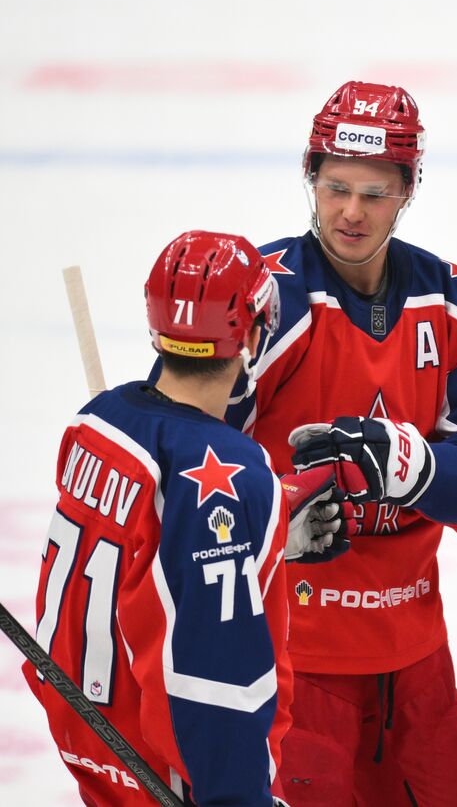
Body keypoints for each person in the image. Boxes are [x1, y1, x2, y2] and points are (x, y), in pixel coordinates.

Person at [225, 81, 457, 806]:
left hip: (417, 664)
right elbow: (182, 468)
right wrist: (274, 520)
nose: (351, 212)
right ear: (310, 176)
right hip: (292, 666)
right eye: (334, 189)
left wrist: (407, 462)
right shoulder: (263, 299)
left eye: (374, 193)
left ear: (408, 188)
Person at [26, 230, 348, 806]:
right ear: (251, 330)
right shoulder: (231, 470)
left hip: (96, 751)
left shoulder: (97, 421)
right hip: (172, 778)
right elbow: (216, 675)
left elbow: (135, 566)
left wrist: (265, 542)